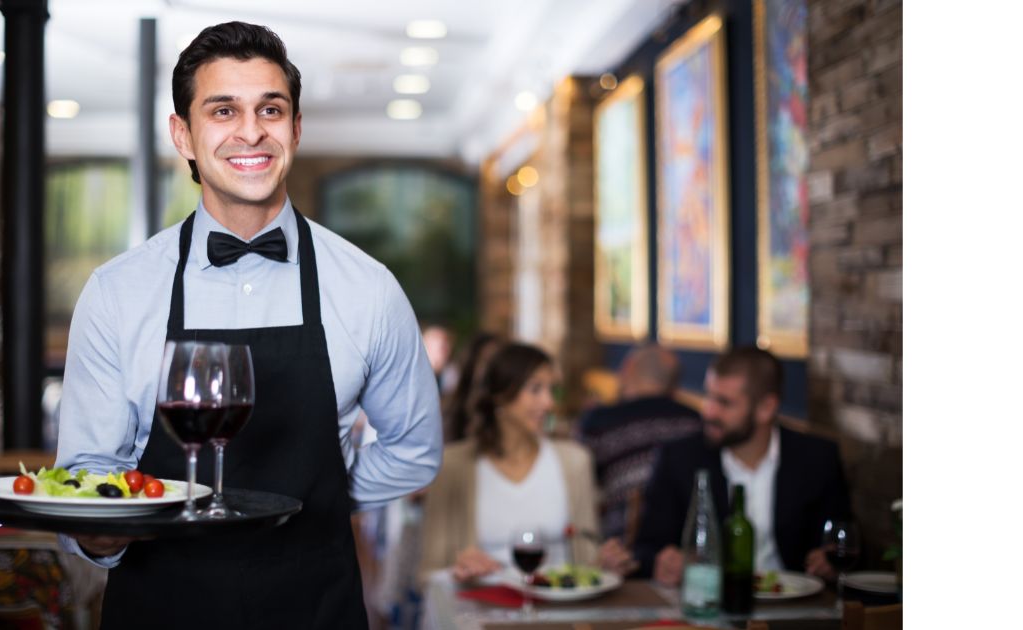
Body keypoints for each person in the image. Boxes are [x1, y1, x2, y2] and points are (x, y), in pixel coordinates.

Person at [53, 22, 443, 628]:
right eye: (223, 110)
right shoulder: (116, 292)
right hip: (160, 609)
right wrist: (102, 533)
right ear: (183, 135)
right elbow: (90, 469)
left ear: (296, 128)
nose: (251, 130)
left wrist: (321, 499)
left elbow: (414, 450)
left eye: (271, 108)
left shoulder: (368, 288)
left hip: (316, 608)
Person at [632, 346, 852, 585]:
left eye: (724, 403)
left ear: (766, 408)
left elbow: (846, 544)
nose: (708, 411)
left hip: (794, 606)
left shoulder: (817, 459)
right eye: (709, 396)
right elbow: (645, 550)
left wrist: (827, 561)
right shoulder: (679, 458)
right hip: (708, 607)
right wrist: (663, 562)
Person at [418, 342, 632, 583]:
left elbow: (586, 563)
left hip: (558, 610)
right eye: (535, 389)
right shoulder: (453, 465)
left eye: (552, 390)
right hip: (481, 610)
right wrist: (459, 572)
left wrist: (603, 565)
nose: (549, 403)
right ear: (500, 396)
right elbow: (428, 574)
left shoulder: (575, 461)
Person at [577, 343, 701, 546]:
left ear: (627, 368)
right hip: (688, 545)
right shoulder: (695, 422)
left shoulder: (599, 423)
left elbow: (580, 484)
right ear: (674, 385)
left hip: (622, 548)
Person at [440, 331, 503, 443]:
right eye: (485, 361)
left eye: (496, 361)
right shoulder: (449, 409)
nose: (491, 369)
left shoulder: (507, 409)